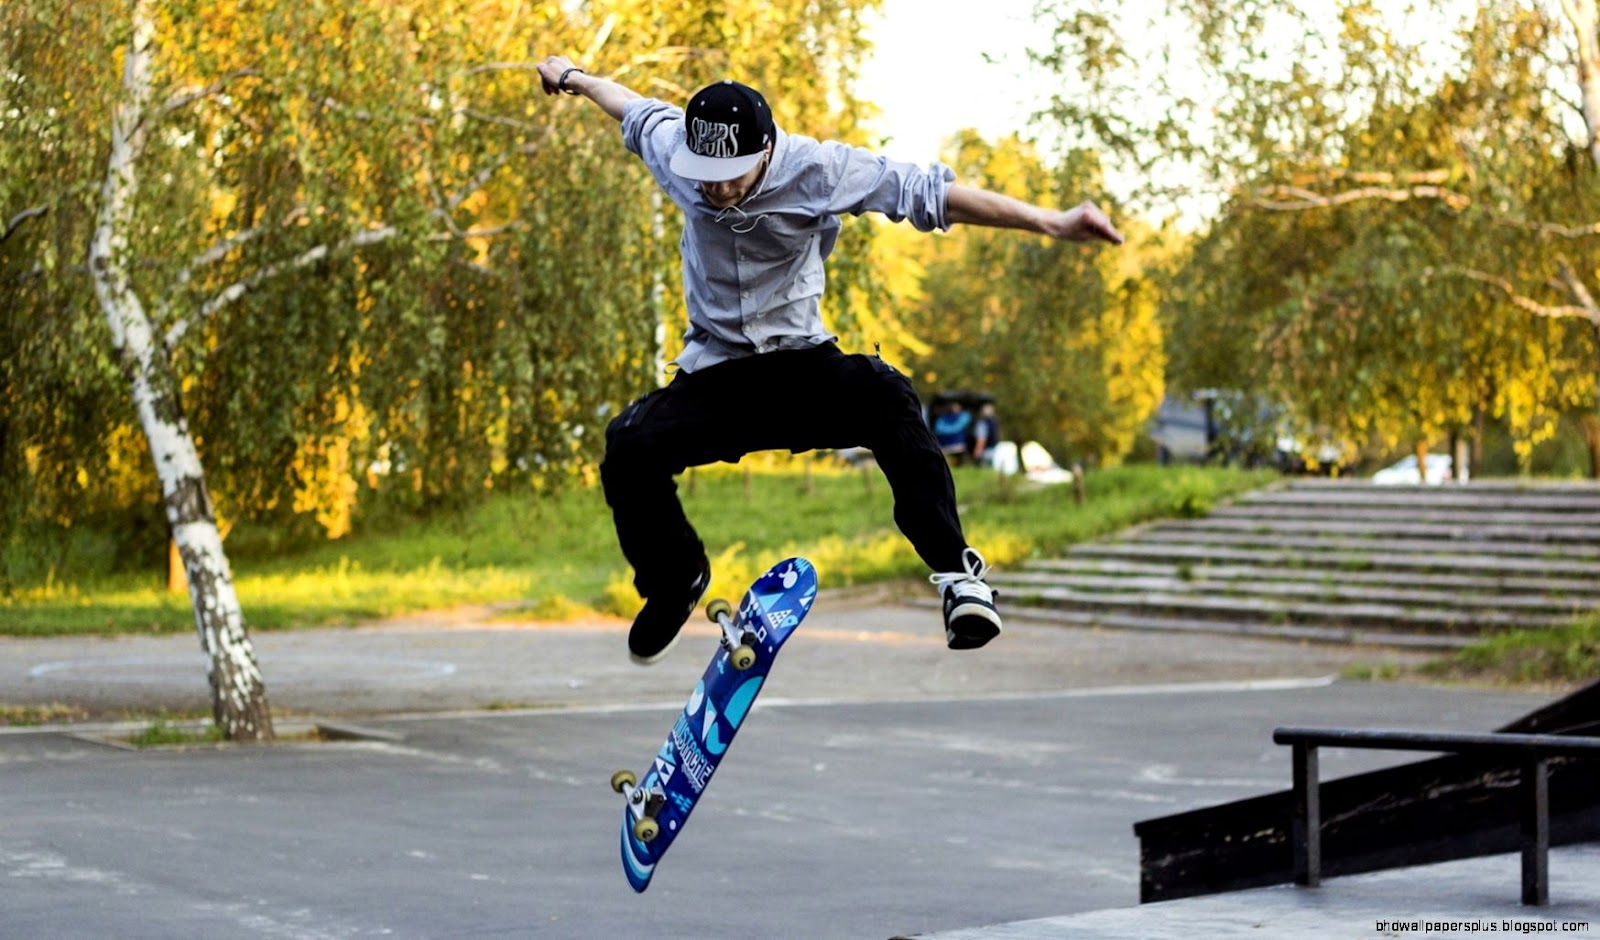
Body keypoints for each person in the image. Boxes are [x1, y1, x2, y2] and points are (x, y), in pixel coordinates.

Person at [535, 56, 1124, 665]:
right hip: (715, 378)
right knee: (628, 444)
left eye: (731, 176)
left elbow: (930, 196)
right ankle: (674, 578)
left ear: (765, 150)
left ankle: (958, 577)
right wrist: (572, 76)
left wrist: (1051, 222)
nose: (716, 189)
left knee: (888, 396)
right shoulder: (674, 152)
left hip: (800, 371)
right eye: (705, 176)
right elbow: (628, 105)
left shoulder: (820, 170)